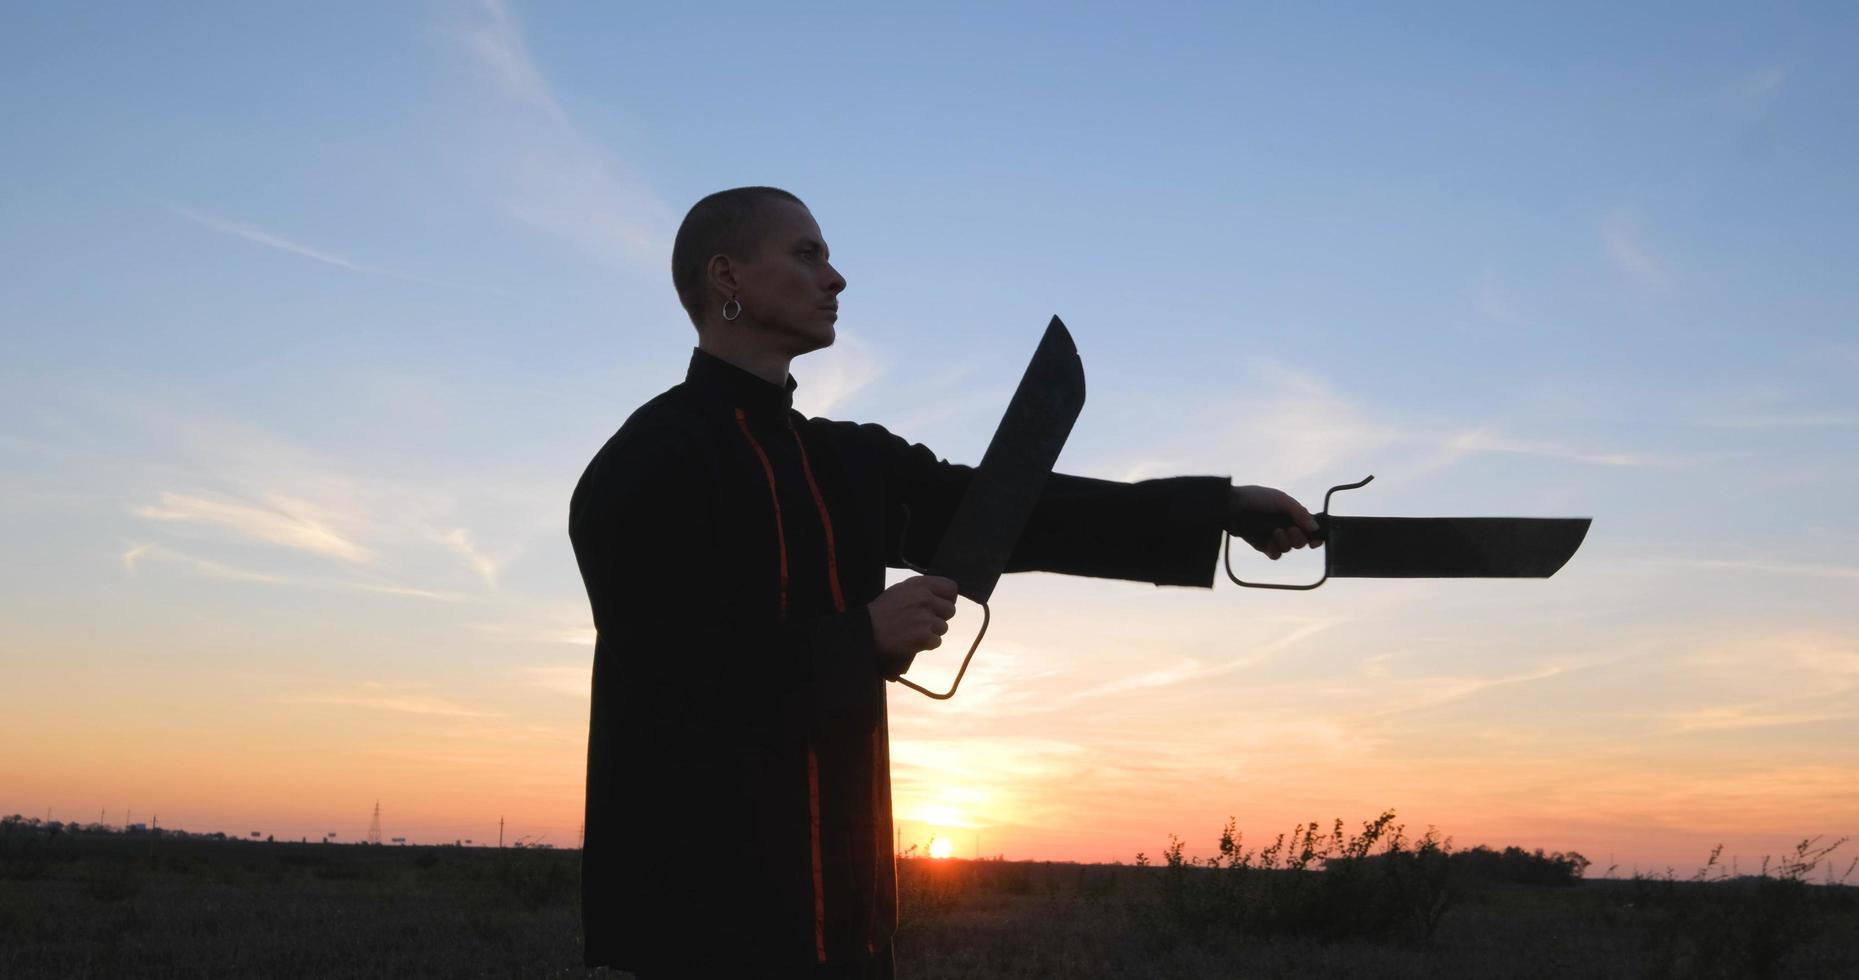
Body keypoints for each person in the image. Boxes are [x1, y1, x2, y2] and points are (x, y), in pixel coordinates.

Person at [569, 187, 1319, 978]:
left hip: (849, 935)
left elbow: (1014, 510)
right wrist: (863, 636)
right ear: (727, 276)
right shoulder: (644, 465)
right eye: (807, 254)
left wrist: (1217, 510)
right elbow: (672, 684)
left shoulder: (848, 461)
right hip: (691, 934)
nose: (836, 279)